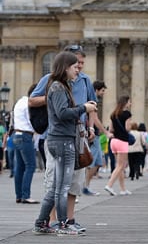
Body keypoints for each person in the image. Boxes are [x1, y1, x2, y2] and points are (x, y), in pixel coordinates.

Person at [30, 44, 98, 233]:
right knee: (62, 186)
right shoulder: (58, 87)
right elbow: (62, 113)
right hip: (63, 140)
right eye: (75, 66)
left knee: (57, 187)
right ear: (66, 67)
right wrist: (84, 108)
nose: (79, 69)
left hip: (64, 138)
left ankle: (41, 223)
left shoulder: (61, 85)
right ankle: (62, 224)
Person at [83, 80, 112, 196]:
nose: (103, 93)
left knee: (98, 162)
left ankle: (85, 186)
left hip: (96, 135)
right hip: (93, 135)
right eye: (102, 91)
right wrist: (106, 132)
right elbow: (94, 118)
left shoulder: (94, 100)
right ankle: (84, 186)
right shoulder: (92, 100)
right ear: (96, 90)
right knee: (92, 161)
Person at [12, 83, 39, 204]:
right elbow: (32, 120)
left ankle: (19, 195)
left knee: (19, 167)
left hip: (16, 134)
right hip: (25, 135)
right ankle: (26, 195)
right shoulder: (29, 104)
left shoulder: (19, 102)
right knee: (30, 165)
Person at [104, 95, 133, 196]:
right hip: (122, 141)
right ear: (125, 103)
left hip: (113, 141)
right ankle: (109, 185)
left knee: (119, 166)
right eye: (129, 102)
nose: (130, 103)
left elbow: (111, 129)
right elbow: (128, 128)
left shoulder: (114, 114)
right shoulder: (127, 114)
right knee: (122, 165)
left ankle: (123, 189)